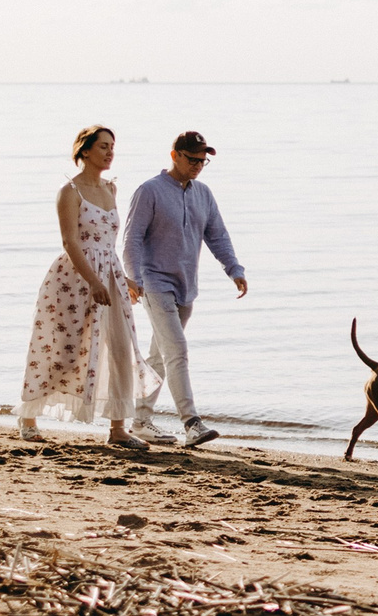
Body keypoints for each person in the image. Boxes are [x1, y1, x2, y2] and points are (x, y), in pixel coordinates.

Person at [17, 126, 147, 447]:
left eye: (112, 146)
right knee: (65, 349)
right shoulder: (70, 191)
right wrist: (93, 281)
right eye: (103, 146)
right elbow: (70, 242)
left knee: (121, 349)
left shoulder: (111, 189)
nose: (110, 152)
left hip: (111, 278)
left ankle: (118, 429)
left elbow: (108, 244)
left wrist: (123, 279)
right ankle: (28, 415)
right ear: (85, 151)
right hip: (74, 279)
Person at [124, 129, 249, 449]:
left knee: (160, 355)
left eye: (202, 161)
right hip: (154, 283)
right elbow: (132, 237)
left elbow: (217, 235)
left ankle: (140, 421)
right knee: (177, 350)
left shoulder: (203, 194)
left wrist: (234, 269)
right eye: (192, 159)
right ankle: (192, 423)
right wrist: (132, 278)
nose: (197, 165)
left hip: (186, 287)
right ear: (174, 155)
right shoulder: (149, 191)